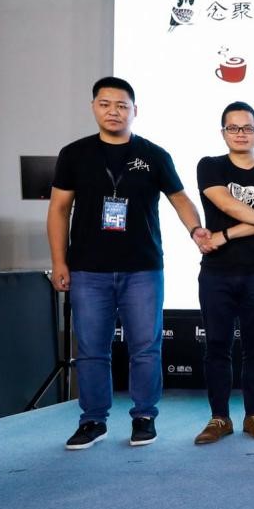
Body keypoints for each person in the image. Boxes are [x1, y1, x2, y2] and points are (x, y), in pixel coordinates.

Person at [49, 76, 207, 450]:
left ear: (135, 111)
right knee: (91, 349)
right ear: (93, 107)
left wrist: (196, 230)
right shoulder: (74, 154)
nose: (114, 111)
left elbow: (180, 199)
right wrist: (59, 261)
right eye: (105, 104)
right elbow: (58, 209)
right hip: (88, 268)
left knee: (145, 348)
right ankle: (93, 420)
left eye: (122, 105)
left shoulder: (154, 155)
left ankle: (144, 417)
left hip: (142, 269)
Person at [193, 101, 254, 445]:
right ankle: (219, 418)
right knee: (217, 347)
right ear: (223, 133)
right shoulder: (210, 166)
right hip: (216, 272)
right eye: (233, 128)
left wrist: (224, 235)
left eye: (247, 128)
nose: (240, 133)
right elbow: (227, 204)